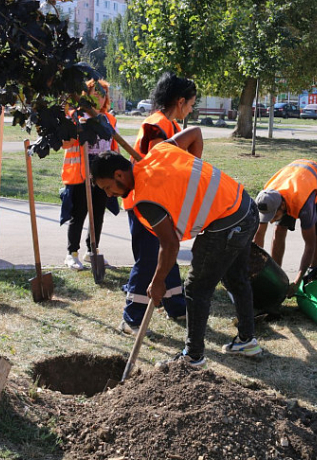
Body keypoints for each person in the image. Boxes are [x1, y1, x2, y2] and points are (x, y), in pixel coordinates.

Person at [92, 128, 262, 367]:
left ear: (119, 175)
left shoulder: (146, 199)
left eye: (107, 187)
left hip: (227, 223)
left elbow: (169, 244)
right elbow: (194, 134)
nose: (110, 194)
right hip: (245, 206)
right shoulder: (159, 150)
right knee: (236, 278)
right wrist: (195, 171)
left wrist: (158, 280)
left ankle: (192, 357)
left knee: (195, 287)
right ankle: (247, 340)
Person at [118, 72, 196, 335]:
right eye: (192, 103)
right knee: (149, 259)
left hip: (159, 204)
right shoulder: (158, 125)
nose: (192, 109)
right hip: (146, 205)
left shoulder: (169, 125)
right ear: (181, 101)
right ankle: (132, 318)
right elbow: (158, 166)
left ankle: (176, 305)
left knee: (167, 253)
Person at [60, 79, 120, 270]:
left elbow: (114, 146)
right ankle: (72, 253)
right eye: (96, 93)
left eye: (103, 95)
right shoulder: (77, 117)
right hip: (81, 175)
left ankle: (92, 250)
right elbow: (64, 142)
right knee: (79, 214)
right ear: (87, 95)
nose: (99, 98)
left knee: (98, 214)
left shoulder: (109, 120)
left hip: (103, 176)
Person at [253, 159, 317, 295]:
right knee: (278, 230)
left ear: (282, 206)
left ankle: (312, 278)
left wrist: (297, 282)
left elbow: (310, 245)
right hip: (292, 180)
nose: (270, 221)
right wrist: (256, 270)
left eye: (273, 216)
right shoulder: (266, 199)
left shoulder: (304, 204)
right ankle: (276, 276)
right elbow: (259, 235)